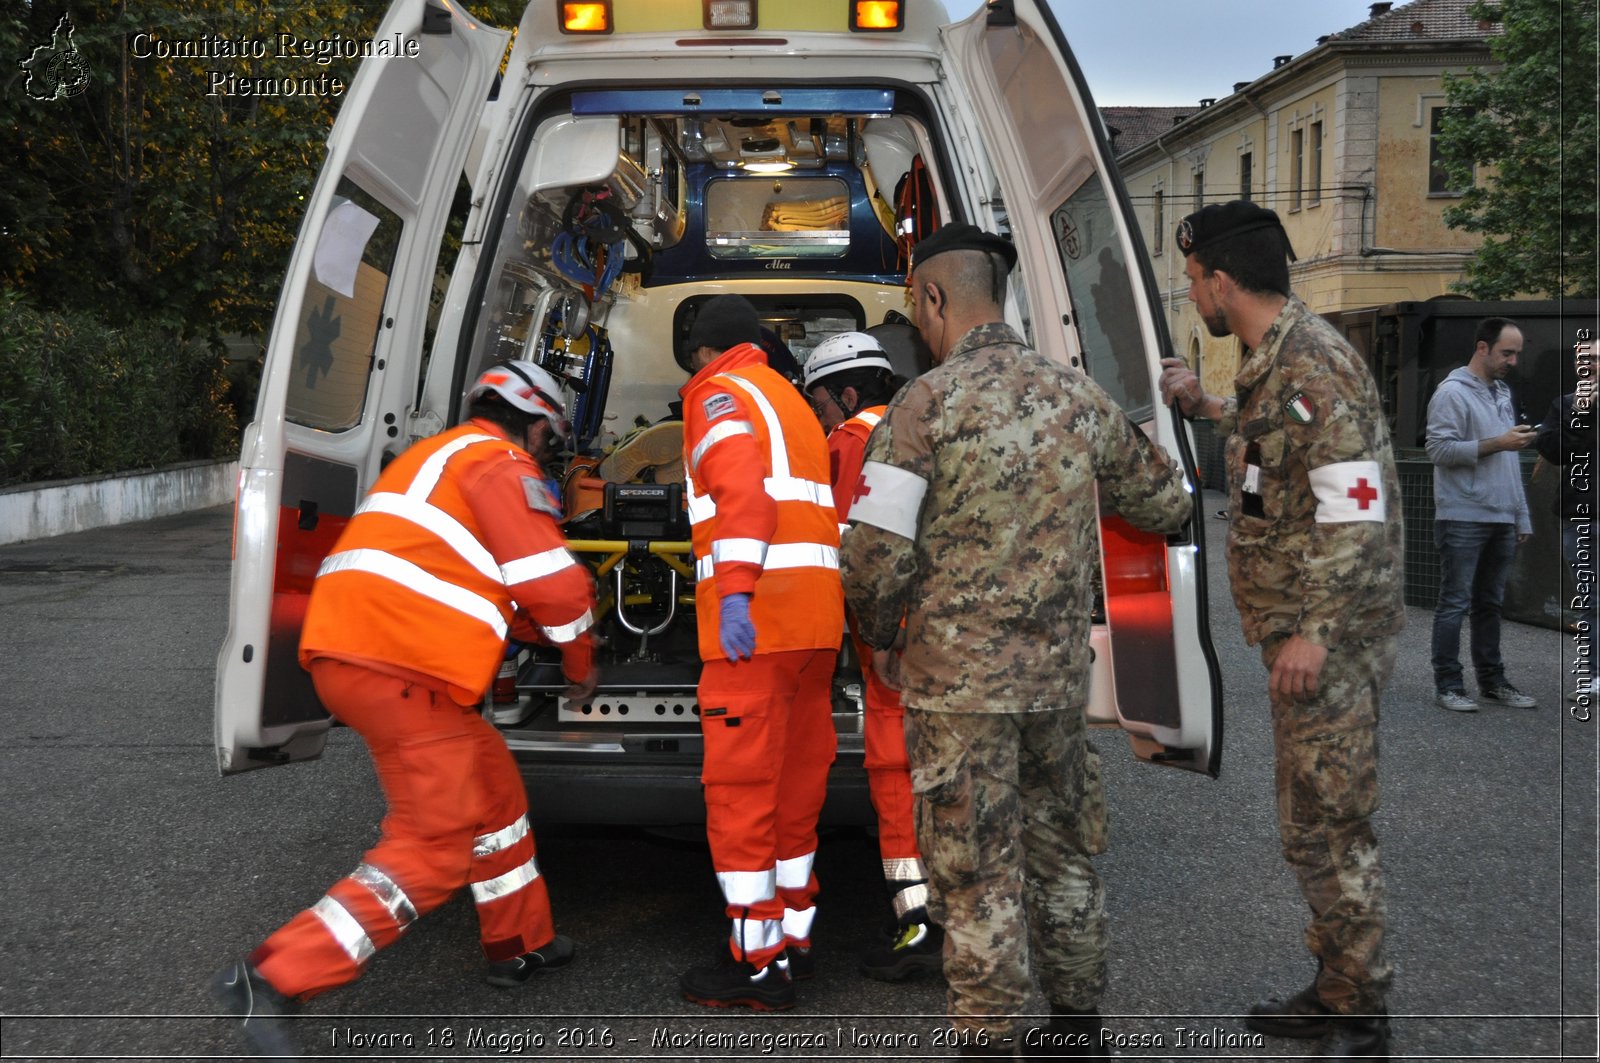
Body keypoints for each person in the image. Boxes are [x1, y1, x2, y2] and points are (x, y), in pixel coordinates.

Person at [841, 224, 1194, 1058]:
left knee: (974, 876)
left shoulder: (922, 404)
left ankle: (989, 1043)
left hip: (955, 689)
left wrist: (883, 637)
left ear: (933, 297)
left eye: (916, 307)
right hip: (1056, 684)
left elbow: (873, 554)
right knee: (1062, 854)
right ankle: (1078, 1034)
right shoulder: (1075, 394)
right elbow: (1165, 503)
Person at [210, 360, 600, 1055]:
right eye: (548, 432)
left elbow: (471, 577)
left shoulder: (439, 456)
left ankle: (518, 941)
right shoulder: (501, 464)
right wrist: (581, 668)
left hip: (364, 656)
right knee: (432, 847)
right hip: (403, 663)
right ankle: (272, 977)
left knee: (494, 790)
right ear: (533, 419)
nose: (547, 447)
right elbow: (554, 587)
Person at [1157, 200, 1403, 1059]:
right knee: (1310, 820)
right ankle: (1339, 984)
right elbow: (1281, 445)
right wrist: (1207, 405)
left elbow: (1356, 508)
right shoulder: (1278, 365)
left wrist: (1317, 633)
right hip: (1301, 632)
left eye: (1193, 281)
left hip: (1324, 641)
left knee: (1331, 820)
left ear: (1224, 282)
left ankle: (1361, 1008)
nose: (1192, 296)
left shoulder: (1314, 365)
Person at [674, 294, 845, 1010]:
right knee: (795, 790)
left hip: (757, 628)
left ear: (704, 354)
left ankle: (754, 960)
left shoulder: (717, 394)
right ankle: (794, 940)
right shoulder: (793, 402)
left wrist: (737, 591)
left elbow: (745, 497)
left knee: (742, 794)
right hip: (815, 628)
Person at [802, 331, 944, 982]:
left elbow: (861, 552)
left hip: (898, 644)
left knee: (895, 776)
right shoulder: (926, 425)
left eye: (821, 402)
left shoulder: (853, 442)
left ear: (849, 392)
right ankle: (953, 916)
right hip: (952, 633)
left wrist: (873, 635)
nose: (820, 417)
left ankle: (919, 924)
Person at [1425, 317, 1537, 712]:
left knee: (1490, 604)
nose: (1513, 360)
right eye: (1507, 352)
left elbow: (1507, 462)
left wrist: (1519, 515)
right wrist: (1497, 443)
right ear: (1482, 348)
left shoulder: (1502, 393)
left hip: (1501, 516)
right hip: (1463, 515)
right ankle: (1449, 685)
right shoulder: (1451, 393)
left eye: (1517, 353)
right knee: (1455, 601)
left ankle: (1493, 682)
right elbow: (1438, 451)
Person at [1537, 339, 1598, 703]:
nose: (1587, 364)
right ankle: (1592, 673)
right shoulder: (1565, 405)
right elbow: (1553, 450)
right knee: (1591, 597)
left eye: (1595, 358)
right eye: (1582, 359)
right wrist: (1581, 413)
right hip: (1582, 515)